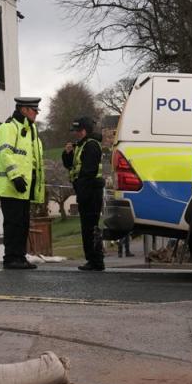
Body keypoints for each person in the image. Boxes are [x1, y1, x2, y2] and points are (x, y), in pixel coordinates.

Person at [0, 97, 46, 269]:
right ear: (23, 110)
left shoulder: (31, 132)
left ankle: (20, 256)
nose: (36, 113)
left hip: (25, 187)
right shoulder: (9, 127)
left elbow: (34, 161)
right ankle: (11, 258)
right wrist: (15, 176)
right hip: (10, 185)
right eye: (33, 110)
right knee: (13, 223)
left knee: (22, 223)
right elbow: (5, 153)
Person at [62, 115, 106, 271]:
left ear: (86, 130)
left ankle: (96, 260)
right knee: (87, 227)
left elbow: (88, 171)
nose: (76, 133)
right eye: (75, 130)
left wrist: (82, 192)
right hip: (86, 190)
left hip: (91, 191)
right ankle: (92, 260)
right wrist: (67, 154)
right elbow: (71, 166)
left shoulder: (91, 145)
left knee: (90, 227)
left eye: (79, 130)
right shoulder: (81, 145)